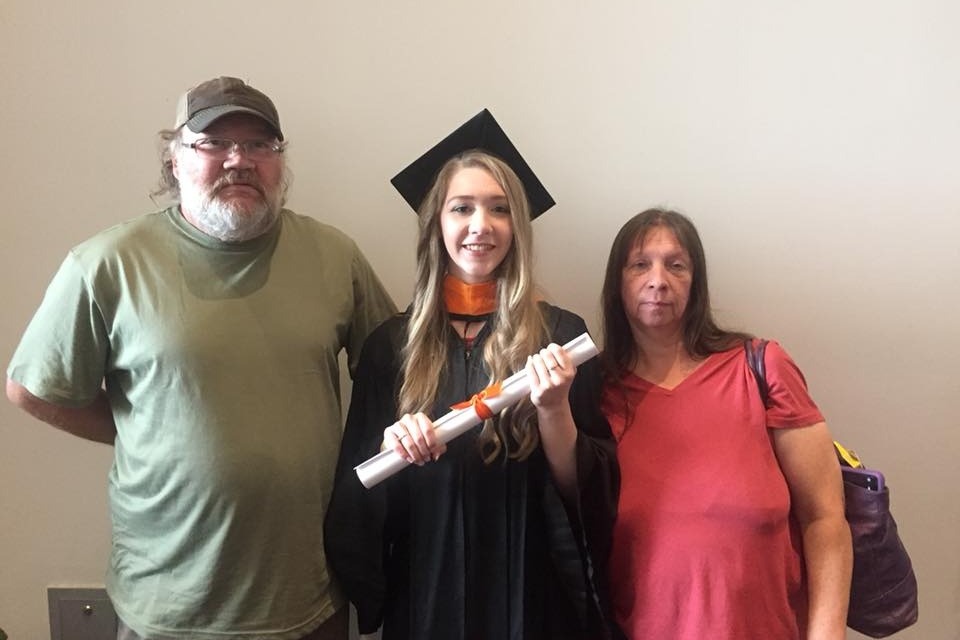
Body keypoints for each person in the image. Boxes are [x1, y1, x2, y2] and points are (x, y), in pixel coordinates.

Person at [6, 76, 397, 640]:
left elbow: (400, 371)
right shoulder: (108, 264)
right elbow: (34, 388)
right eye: (214, 143)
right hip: (168, 601)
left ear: (280, 161)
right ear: (175, 160)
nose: (240, 160)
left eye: (260, 145)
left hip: (307, 593)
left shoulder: (335, 256)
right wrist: (141, 431)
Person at [324, 109, 619, 640]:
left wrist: (553, 408)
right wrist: (393, 450)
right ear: (436, 224)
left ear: (517, 226)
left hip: (531, 594)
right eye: (462, 207)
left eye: (499, 209)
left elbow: (587, 493)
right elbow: (356, 500)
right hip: (426, 588)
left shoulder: (559, 336)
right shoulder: (392, 346)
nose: (481, 225)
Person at [598, 208, 853, 640]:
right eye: (640, 265)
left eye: (676, 265)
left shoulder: (761, 368)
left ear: (696, 282)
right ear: (616, 283)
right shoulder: (595, 394)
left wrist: (827, 634)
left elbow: (824, 517)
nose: (658, 280)